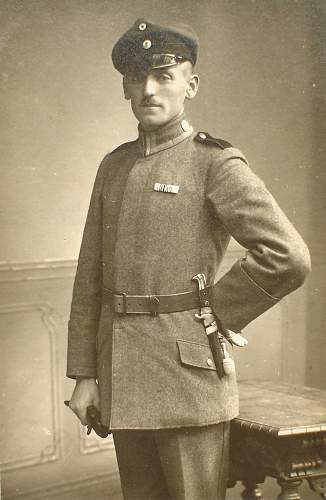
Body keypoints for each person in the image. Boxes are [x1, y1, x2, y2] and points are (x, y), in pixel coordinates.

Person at [66, 19, 311, 500]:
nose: (149, 89)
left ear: (190, 85)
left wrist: (218, 311)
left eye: (164, 76)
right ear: (125, 86)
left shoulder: (214, 162)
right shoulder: (113, 165)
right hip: (122, 374)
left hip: (187, 375)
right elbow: (88, 278)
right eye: (138, 77)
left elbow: (288, 256)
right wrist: (84, 376)